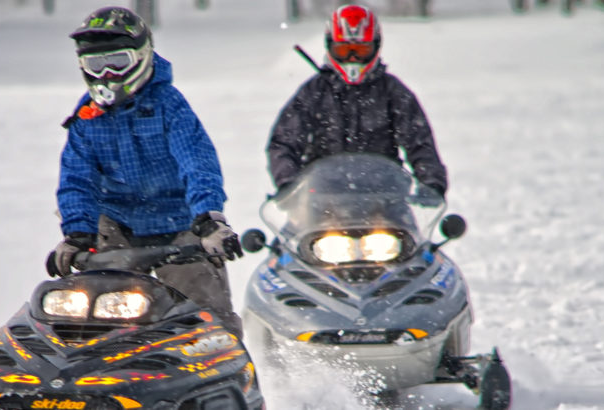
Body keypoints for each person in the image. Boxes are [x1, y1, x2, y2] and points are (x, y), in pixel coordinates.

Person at [47, 6, 245, 337]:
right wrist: (77, 234)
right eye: (95, 65)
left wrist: (210, 219)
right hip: (117, 228)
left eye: (117, 62)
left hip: (182, 227)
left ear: (141, 57)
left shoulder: (169, 105)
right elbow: (76, 180)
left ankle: (226, 379)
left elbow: (197, 162)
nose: (107, 75)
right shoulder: (86, 116)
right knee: (91, 313)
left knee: (209, 322)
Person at [267, 4, 448, 197]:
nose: (352, 58)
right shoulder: (314, 92)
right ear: (330, 47)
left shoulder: (392, 91)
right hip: (321, 202)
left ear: (376, 47)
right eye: (344, 50)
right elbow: (284, 142)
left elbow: (419, 142)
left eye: (360, 50)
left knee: (413, 228)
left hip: (386, 200)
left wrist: (431, 183)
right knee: (289, 227)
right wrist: (289, 184)